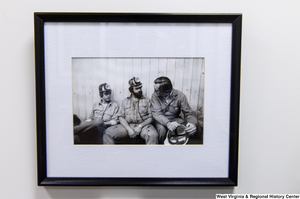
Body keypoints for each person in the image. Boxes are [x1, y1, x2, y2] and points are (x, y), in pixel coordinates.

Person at [103, 77, 158, 144]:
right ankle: (109, 154)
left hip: (144, 126)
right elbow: (121, 117)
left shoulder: (147, 100)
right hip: (127, 126)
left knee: (153, 135)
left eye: (140, 87)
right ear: (131, 90)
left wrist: (140, 126)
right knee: (108, 133)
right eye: (137, 88)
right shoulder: (125, 101)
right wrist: (129, 129)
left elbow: (151, 117)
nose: (139, 90)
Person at [150, 76, 197, 144]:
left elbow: (188, 112)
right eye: (154, 88)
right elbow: (157, 114)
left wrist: (192, 123)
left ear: (166, 90)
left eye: (157, 90)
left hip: (175, 119)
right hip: (161, 120)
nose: (154, 91)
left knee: (186, 129)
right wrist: (168, 123)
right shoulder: (154, 96)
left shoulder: (180, 95)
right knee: (162, 131)